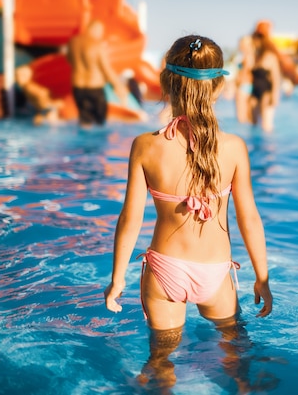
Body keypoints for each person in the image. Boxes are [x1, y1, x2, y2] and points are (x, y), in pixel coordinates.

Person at [104, 35, 273, 389]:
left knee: (161, 360)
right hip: (215, 273)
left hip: (165, 271)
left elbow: (130, 218)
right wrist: (262, 276)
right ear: (219, 87)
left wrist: (117, 277)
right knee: (235, 353)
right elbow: (249, 219)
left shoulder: (145, 146)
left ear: (166, 83)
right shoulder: (234, 148)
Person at [67, 19, 128, 127]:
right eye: (101, 31)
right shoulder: (97, 45)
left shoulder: (73, 42)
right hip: (95, 88)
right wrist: (118, 86)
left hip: (78, 88)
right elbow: (106, 69)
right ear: (93, 29)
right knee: (100, 124)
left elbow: (69, 60)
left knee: (85, 123)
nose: (101, 34)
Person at [250, 31, 281, 132]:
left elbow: (276, 78)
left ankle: (268, 146)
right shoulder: (255, 57)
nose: (253, 43)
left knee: (266, 125)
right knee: (254, 124)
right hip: (255, 93)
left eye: (255, 40)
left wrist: (275, 96)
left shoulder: (270, 56)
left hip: (266, 92)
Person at [234, 35, 255, 124]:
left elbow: (246, 71)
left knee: (241, 117)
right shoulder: (253, 55)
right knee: (250, 115)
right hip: (250, 86)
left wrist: (237, 83)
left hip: (243, 85)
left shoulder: (247, 56)